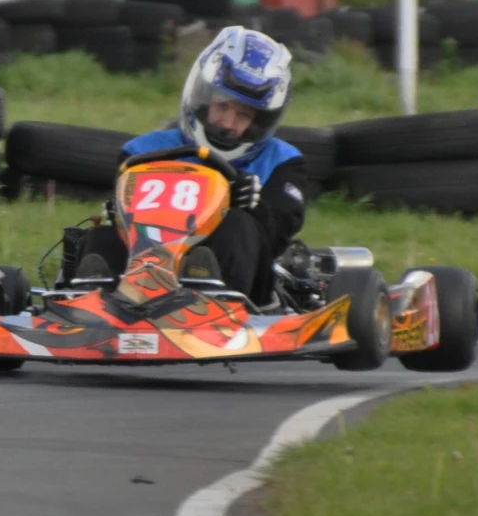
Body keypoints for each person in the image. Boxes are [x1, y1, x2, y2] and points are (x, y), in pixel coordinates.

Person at [74, 25, 308, 311]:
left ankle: (210, 298)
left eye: (243, 115)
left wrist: (252, 206)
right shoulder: (143, 152)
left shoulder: (283, 161)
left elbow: (275, 240)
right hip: (146, 270)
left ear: (259, 122)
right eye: (222, 107)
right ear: (203, 98)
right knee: (102, 235)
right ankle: (93, 304)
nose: (227, 123)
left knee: (237, 224)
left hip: (244, 292)